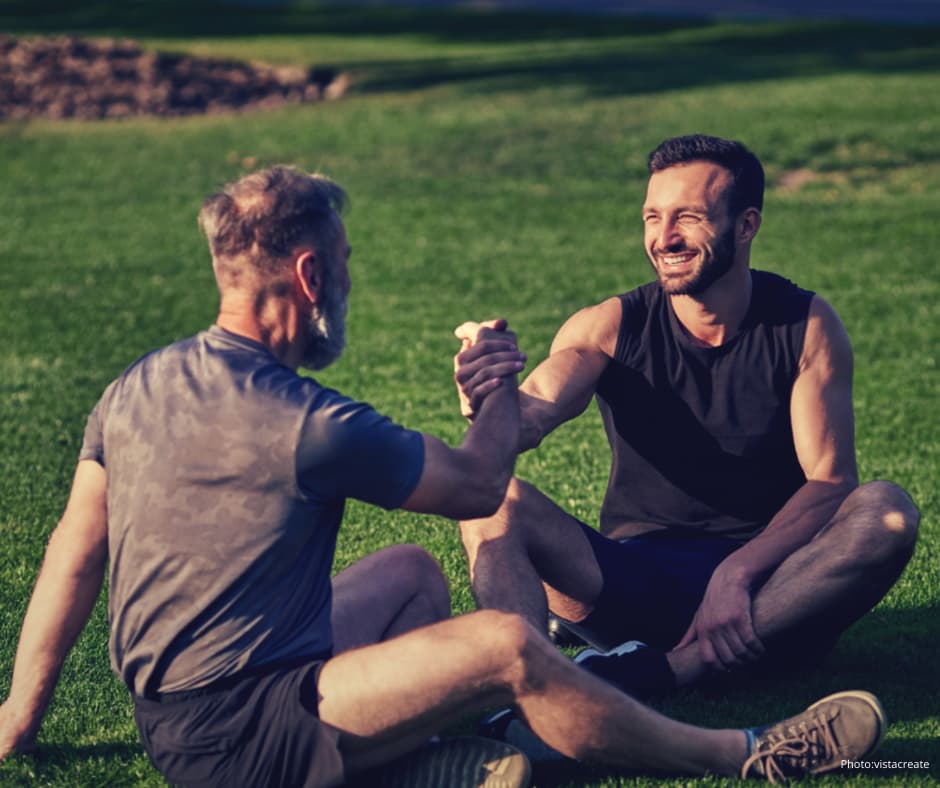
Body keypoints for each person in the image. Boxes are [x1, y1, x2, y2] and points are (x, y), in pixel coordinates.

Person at [0, 165, 888, 788]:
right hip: (248, 731)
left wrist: (17, 715)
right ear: (310, 274)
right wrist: (495, 386)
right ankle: (743, 752)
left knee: (410, 575)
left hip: (178, 715)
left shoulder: (135, 386)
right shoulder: (309, 422)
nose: (348, 279)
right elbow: (475, 488)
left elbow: (74, 553)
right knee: (502, 646)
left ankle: (417, 767)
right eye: (345, 262)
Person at [457, 134, 920, 697]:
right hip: (635, 580)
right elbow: (532, 414)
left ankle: (670, 670)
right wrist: (490, 398)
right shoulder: (609, 326)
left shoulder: (805, 326)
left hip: (770, 593)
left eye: (689, 218)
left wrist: (737, 571)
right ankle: (532, 693)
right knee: (491, 503)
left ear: (746, 226)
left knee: (887, 512)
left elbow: (829, 483)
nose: (664, 238)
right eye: (653, 217)